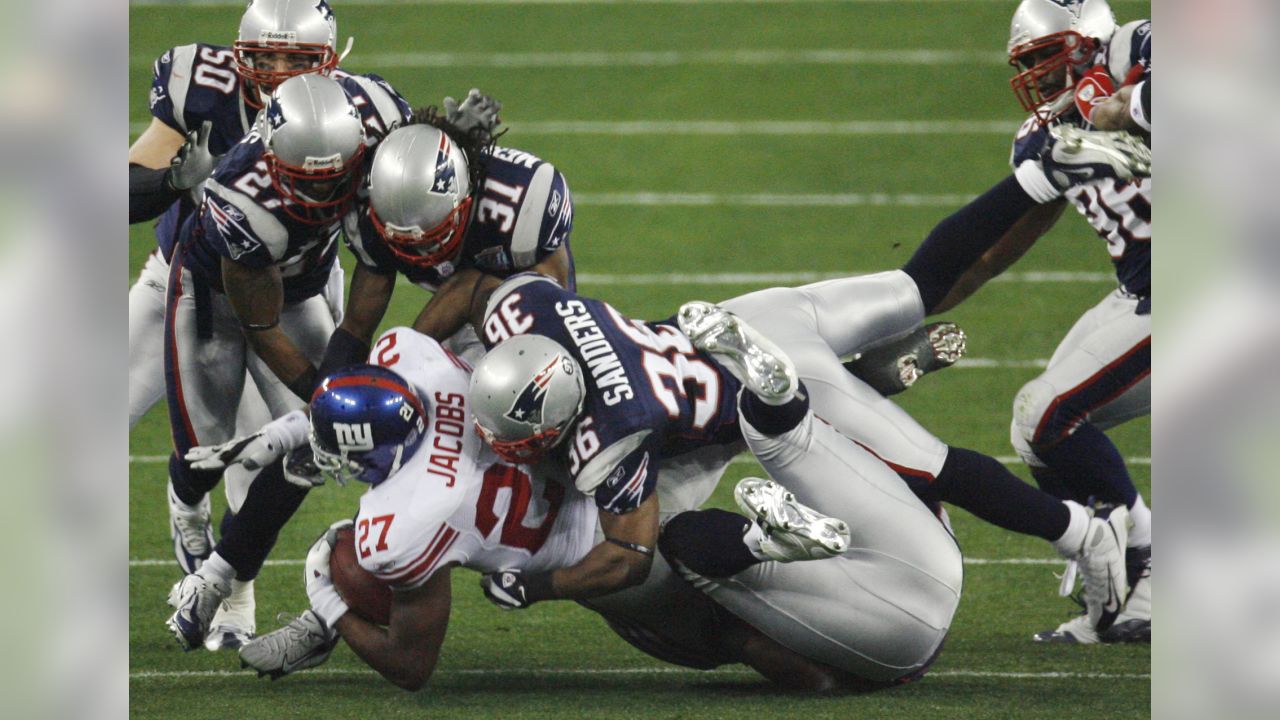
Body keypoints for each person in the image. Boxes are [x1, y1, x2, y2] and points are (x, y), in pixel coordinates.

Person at [232, 328, 949, 690]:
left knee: (714, 637)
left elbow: (413, 663)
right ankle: (859, 379)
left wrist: (329, 594)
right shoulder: (413, 361)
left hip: (603, 553)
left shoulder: (405, 523)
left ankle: (837, 663)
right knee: (748, 419)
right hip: (610, 459)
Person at [458, 270, 1128, 643]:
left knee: (925, 466)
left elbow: (624, 560)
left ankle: (1082, 532)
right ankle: (872, 375)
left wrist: (534, 586)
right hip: (711, 344)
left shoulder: (611, 433)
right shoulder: (527, 310)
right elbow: (499, 281)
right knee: (902, 461)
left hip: (754, 404)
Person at [891, 0, 1152, 644]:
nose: (1037, 75)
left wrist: (1121, 105)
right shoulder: (1043, 136)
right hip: (1140, 291)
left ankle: (1147, 552)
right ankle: (1139, 583)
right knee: (1032, 429)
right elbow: (987, 256)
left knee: (1047, 412)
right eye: (1028, 63)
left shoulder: (1143, 47)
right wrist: (898, 317)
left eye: (1045, 55)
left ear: (1089, 40)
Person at [162, 72, 409, 652]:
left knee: (325, 439)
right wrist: (318, 386)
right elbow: (260, 324)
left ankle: (222, 572)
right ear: (274, 156)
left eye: (335, 181)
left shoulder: (380, 114)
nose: (323, 196)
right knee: (205, 452)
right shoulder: (241, 197)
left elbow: (376, 267)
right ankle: (185, 499)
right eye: (307, 183)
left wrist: (342, 366)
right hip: (219, 296)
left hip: (301, 286)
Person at [316, 116, 574, 384]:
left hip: (518, 318)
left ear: (464, 200)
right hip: (452, 313)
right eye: (403, 241)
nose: (418, 250)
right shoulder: (373, 218)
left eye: (431, 236)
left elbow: (554, 317)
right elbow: (357, 327)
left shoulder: (522, 207)